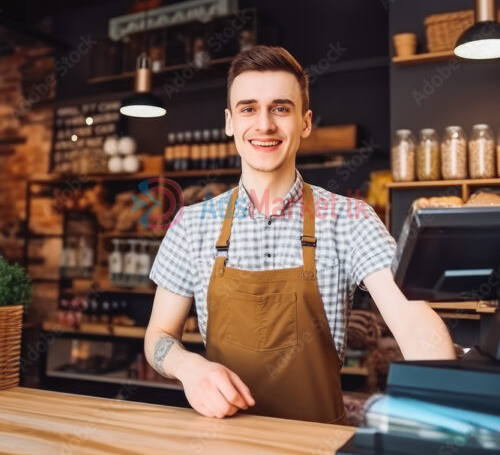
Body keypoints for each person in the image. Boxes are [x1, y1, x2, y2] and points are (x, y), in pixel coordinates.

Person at [144, 45, 455, 424]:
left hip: (319, 442)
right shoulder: (192, 225)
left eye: (280, 108)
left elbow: (411, 318)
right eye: (248, 109)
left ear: (305, 122)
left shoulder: (350, 219)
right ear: (230, 122)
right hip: (223, 442)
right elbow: (158, 335)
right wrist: (188, 367)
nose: (264, 125)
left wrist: (449, 407)